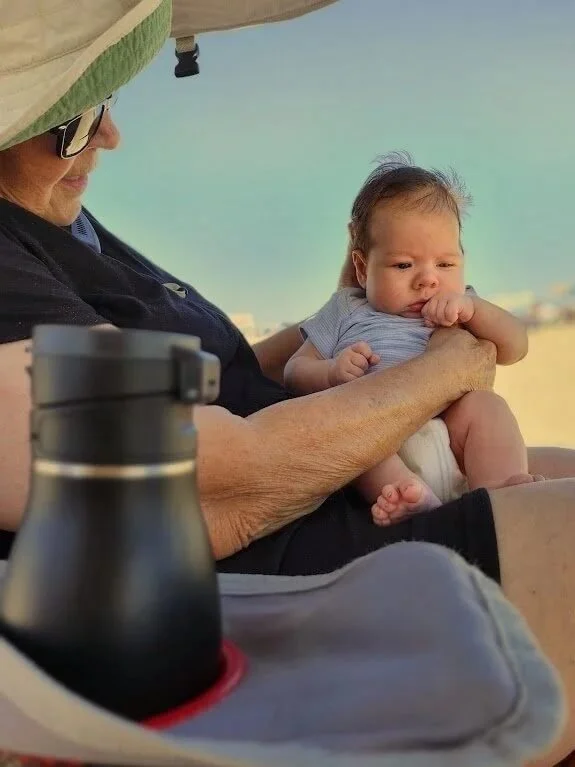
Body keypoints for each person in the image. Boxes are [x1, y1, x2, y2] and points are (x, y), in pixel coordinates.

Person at [0, 68, 574, 767]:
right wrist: (444, 367)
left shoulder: (61, 216)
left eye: (106, 105)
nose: (111, 136)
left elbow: (249, 364)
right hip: (271, 548)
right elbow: (213, 484)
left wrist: (369, 312)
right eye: (76, 122)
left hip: (315, 477)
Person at [285, 154, 531, 526]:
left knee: (486, 407)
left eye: (445, 265)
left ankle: (499, 494)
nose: (428, 280)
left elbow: (516, 347)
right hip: (380, 437)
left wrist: (473, 311)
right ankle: (413, 498)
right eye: (404, 265)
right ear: (363, 267)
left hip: (452, 437)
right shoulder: (347, 308)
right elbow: (294, 370)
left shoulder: (464, 304)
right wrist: (331, 373)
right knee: (351, 435)